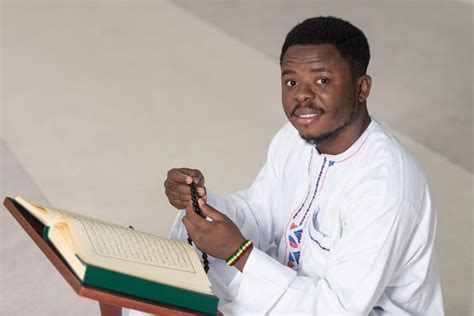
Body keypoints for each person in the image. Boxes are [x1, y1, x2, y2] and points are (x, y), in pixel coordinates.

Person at [164, 16, 444, 315]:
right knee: (164, 294)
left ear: (361, 89)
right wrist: (200, 204)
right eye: (291, 81)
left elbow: (337, 309)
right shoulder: (295, 139)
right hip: (293, 290)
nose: (302, 95)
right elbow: (260, 213)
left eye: (322, 80)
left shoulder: (386, 186)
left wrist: (239, 255)